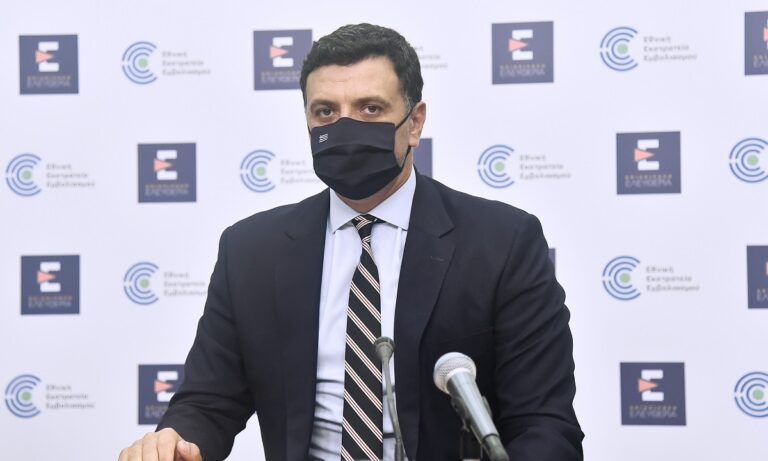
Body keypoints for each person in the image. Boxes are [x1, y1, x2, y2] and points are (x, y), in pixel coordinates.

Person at [119, 23, 583, 461]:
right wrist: (174, 442)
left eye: (370, 109)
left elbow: (543, 424)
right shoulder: (251, 251)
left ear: (415, 123)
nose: (345, 128)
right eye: (326, 112)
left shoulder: (501, 243)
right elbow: (207, 403)